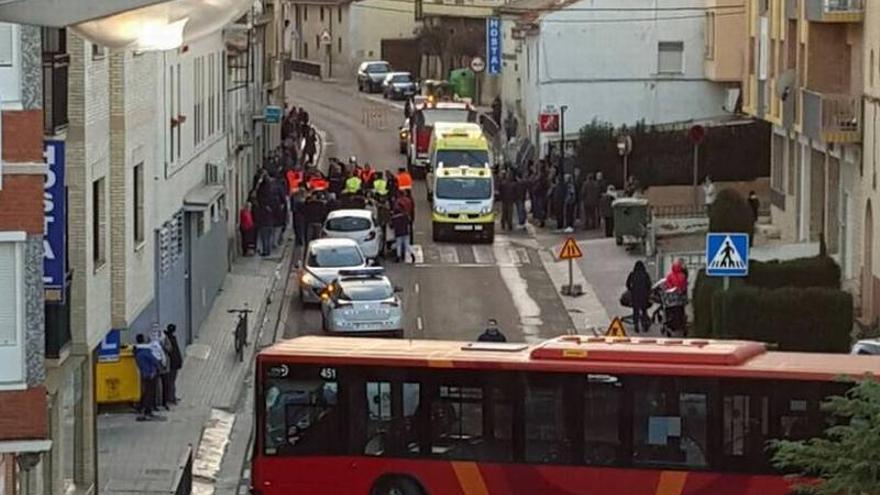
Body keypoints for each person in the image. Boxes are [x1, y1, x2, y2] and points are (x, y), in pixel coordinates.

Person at [134, 334, 162, 421]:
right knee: (150, 393)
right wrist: (157, 369)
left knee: (145, 392)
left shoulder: (137, 353)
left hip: (144, 374)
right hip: (150, 374)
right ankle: (147, 410)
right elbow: (154, 361)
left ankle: (144, 409)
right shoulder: (146, 352)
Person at [626, 261, 653, 333]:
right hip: (644, 295)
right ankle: (645, 325)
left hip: (635, 295)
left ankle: (636, 326)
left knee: (636, 311)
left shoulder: (632, 274)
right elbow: (649, 284)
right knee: (644, 311)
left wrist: (631, 290)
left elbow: (628, 284)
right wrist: (648, 293)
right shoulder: (645, 274)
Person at [163, 324, 183, 405]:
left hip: (171, 363)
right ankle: (171, 398)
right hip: (172, 364)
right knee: (171, 381)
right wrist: (179, 362)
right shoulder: (171, 340)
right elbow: (175, 353)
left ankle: (171, 397)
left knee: (170, 381)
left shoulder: (167, 338)